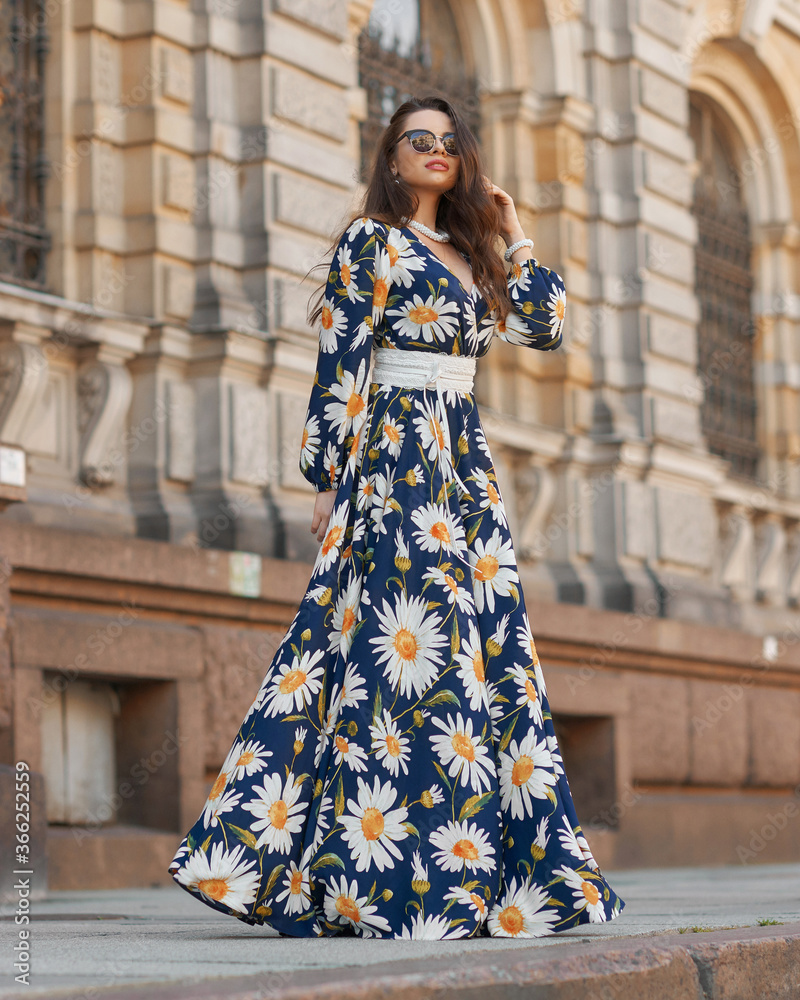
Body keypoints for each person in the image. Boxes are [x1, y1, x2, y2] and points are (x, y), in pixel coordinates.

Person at [168, 94, 626, 939]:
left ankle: (468, 872)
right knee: (397, 655)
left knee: (483, 662)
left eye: (450, 142)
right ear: (391, 157)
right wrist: (327, 476)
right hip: (395, 460)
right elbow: (341, 352)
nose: (435, 151)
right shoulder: (371, 242)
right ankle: (374, 879)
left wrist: (514, 227)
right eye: (419, 139)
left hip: (466, 474)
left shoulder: (470, 253)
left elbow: (547, 326)